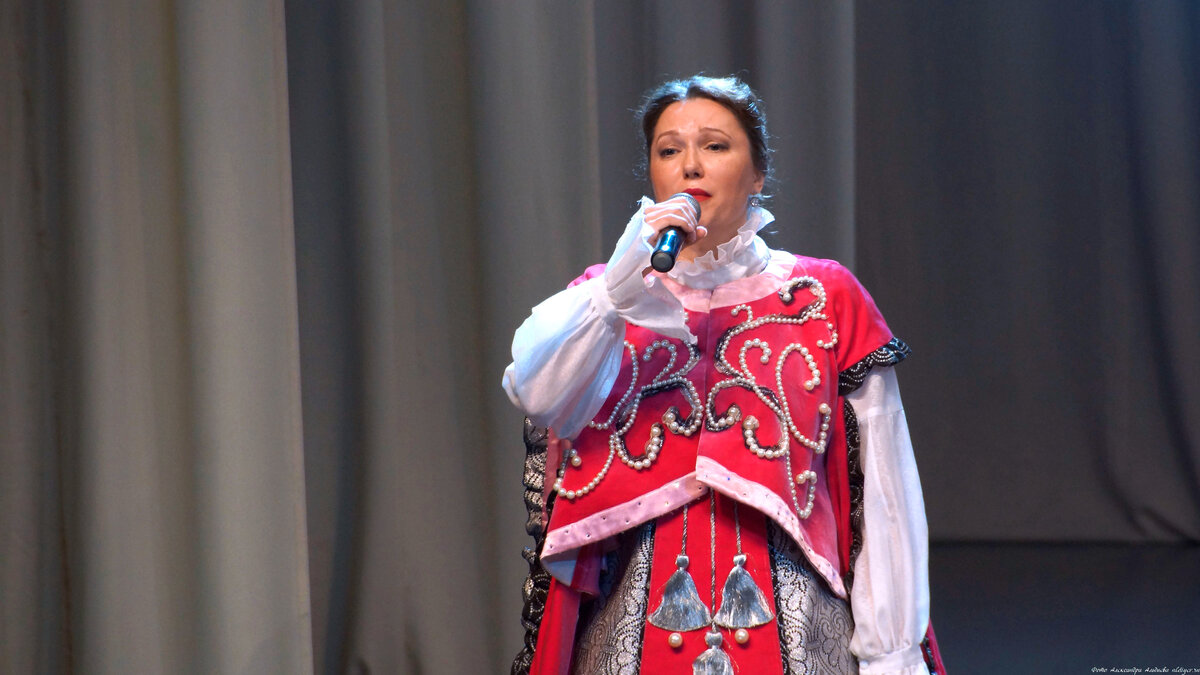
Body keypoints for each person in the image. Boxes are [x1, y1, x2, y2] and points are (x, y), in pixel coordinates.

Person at [503, 75, 945, 675]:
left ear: (758, 172)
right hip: (632, 636)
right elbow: (537, 393)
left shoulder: (823, 296)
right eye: (669, 150)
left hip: (795, 633)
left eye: (714, 145)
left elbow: (883, 486)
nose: (690, 165)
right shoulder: (604, 306)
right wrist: (613, 293)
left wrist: (892, 654)